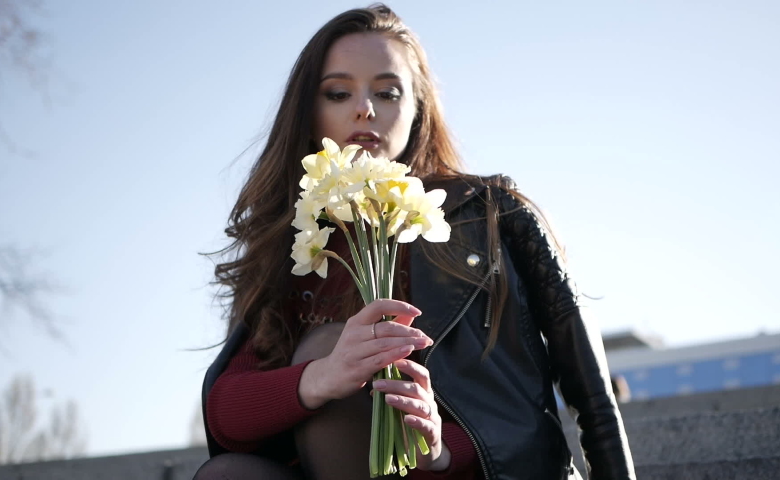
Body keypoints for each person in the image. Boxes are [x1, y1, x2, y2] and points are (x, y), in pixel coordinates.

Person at [195, 4, 636, 480]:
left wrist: (441, 448)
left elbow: (592, 401)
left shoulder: (493, 213)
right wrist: (324, 376)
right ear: (309, 111)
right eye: (339, 93)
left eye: (386, 92)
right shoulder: (296, 238)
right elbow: (226, 414)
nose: (364, 108)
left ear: (418, 107)